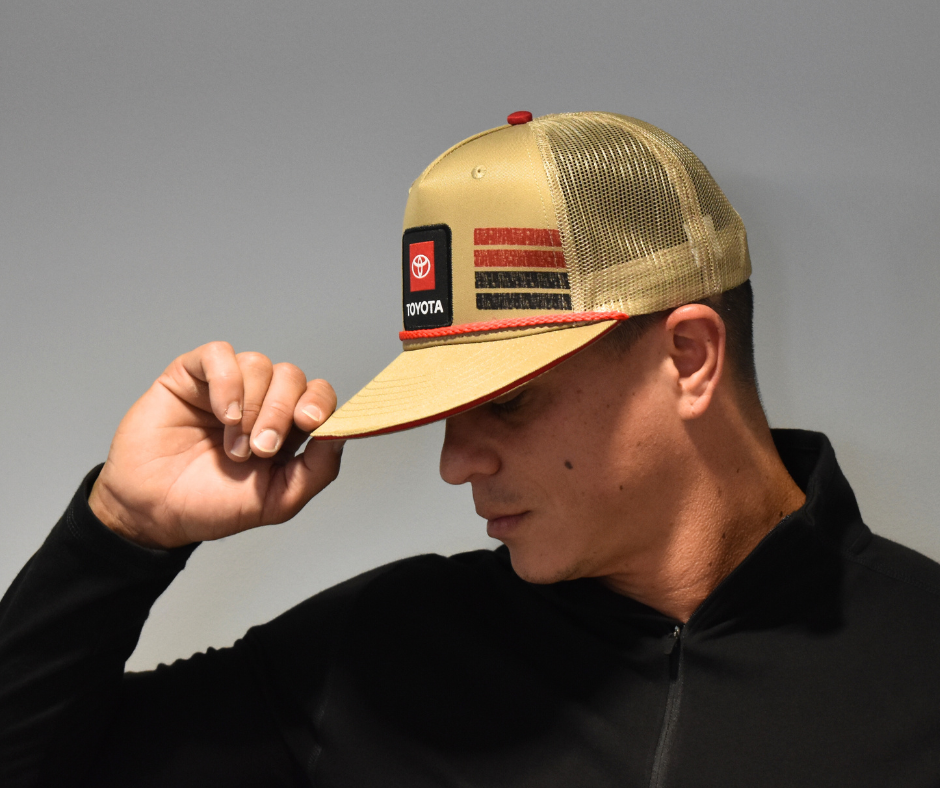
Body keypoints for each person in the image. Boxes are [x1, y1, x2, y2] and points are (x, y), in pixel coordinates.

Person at [1, 112, 938, 787]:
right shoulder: (383, 655)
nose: (456, 463)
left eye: (510, 401)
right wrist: (119, 534)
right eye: (447, 407)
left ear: (688, 358)